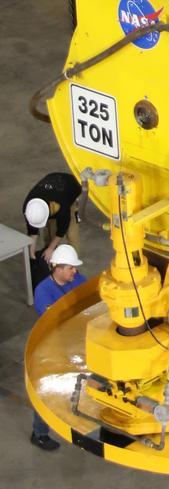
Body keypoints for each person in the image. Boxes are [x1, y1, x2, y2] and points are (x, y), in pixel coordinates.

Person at [30, 242, 86, 452]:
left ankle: (77, 425)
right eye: (71, 268)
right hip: (52, 349)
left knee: (81, 387)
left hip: (75, 344)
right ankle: (39, 433)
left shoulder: (78, 280)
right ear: (58, 268)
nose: (75, 271)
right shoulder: (43, 291)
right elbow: (56, 322)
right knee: (48, 393)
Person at [21, 171, 81, 292]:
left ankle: (72, 268)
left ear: (49, 210)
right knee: (49, 233)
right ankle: (53, 265)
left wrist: (51, 248)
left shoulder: (61, 204)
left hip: (71, 186)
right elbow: (33, 231)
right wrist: (32, 254)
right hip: (51, 184)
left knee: (72, 234)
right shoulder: (29, 208)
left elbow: (62, 229)